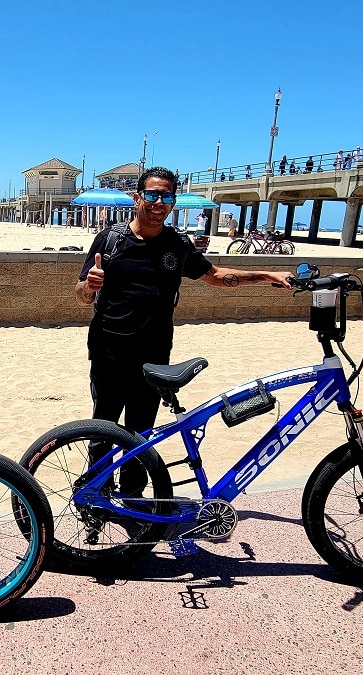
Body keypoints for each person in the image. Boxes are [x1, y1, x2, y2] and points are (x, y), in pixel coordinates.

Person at [75, 167, 290, 493]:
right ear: (138, 197)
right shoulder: (110, 239)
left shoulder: (176, 244)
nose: (159, 202)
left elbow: (215, 276)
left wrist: (265, 276)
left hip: (154, 356)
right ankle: (94, 498)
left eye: (166, 196)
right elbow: (81, 295)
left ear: (173, 202)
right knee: (103, 432)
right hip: (109, 352)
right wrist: (88, 286)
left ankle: (133, 502)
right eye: (152, 194)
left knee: (140, 435)